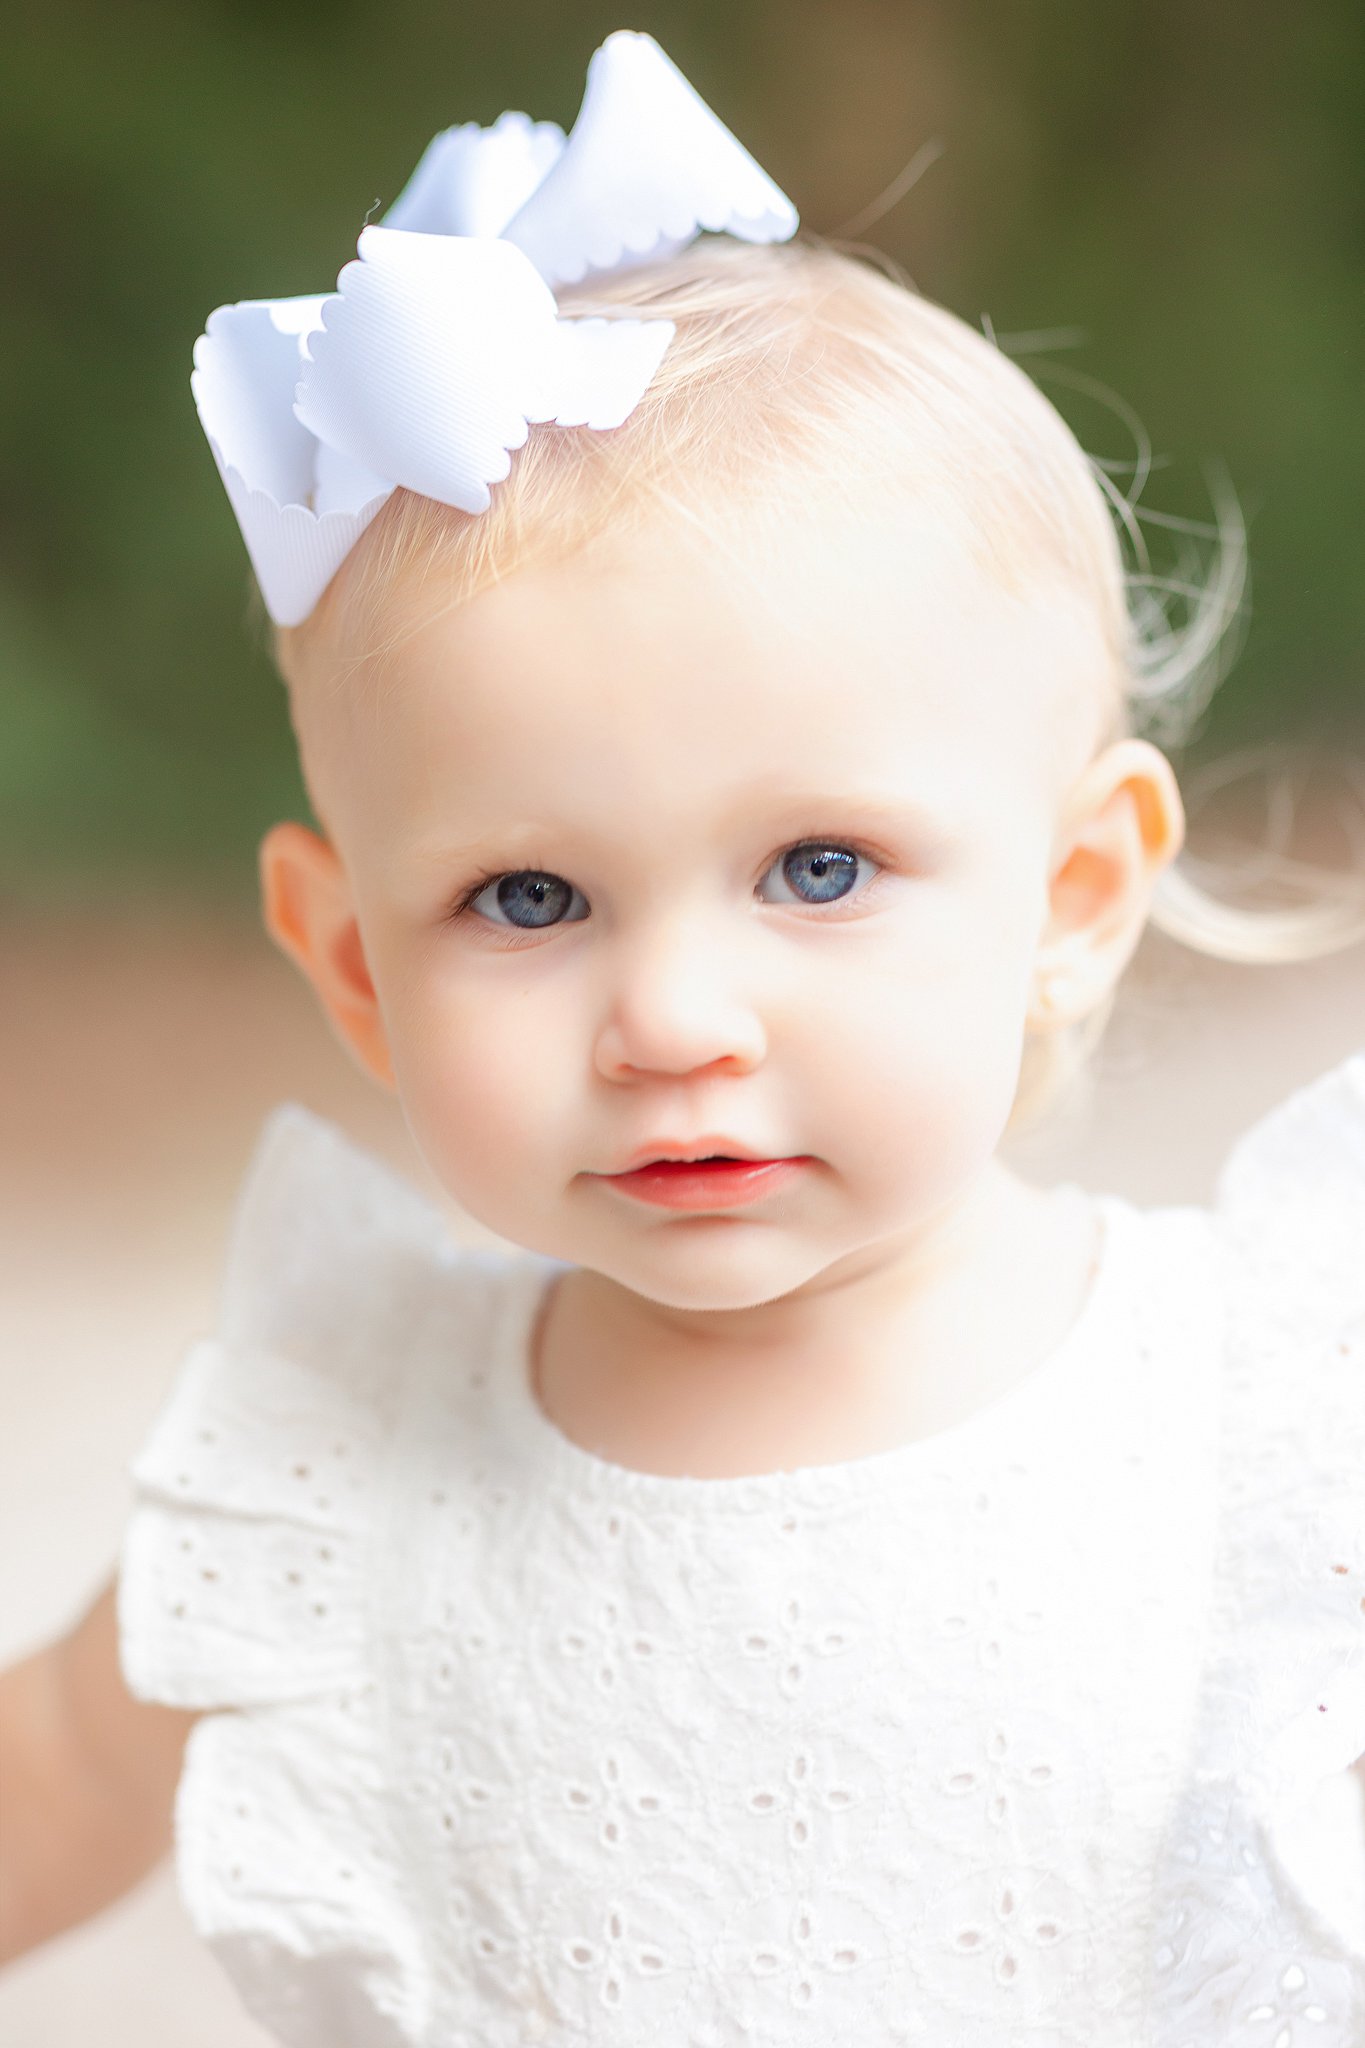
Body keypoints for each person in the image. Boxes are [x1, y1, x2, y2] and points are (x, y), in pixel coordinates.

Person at [2, 28, 1363, 2047]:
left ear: (1072, 895)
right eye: (526, 901)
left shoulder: (1265, 1423)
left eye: (815, 869)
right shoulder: (334, 1452)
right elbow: (55, 1784)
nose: (669, 1020)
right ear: (355, 963)